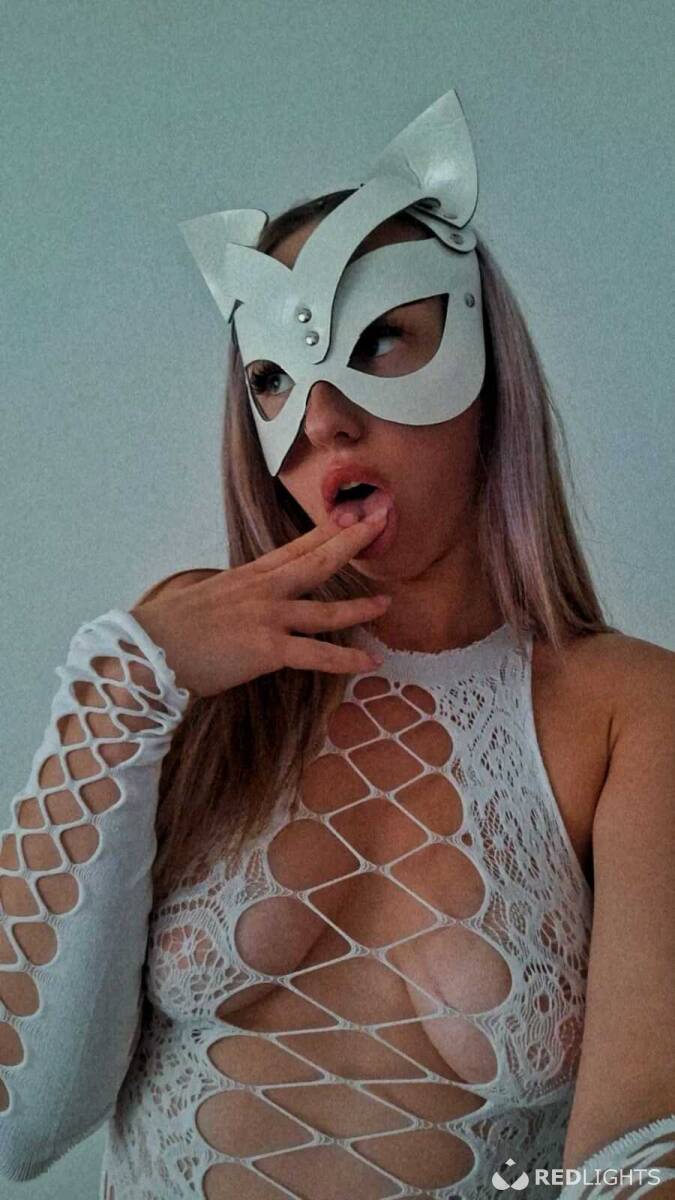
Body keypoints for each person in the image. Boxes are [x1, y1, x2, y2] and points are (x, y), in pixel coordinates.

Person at [0, 90, 673, 1200]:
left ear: (487, 371)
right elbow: (22, 1123)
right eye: (273, 377)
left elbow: (636, 1155)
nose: (321, 418)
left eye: (378, 341)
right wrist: (123, 679)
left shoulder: (627, 712)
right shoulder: (190, 667)